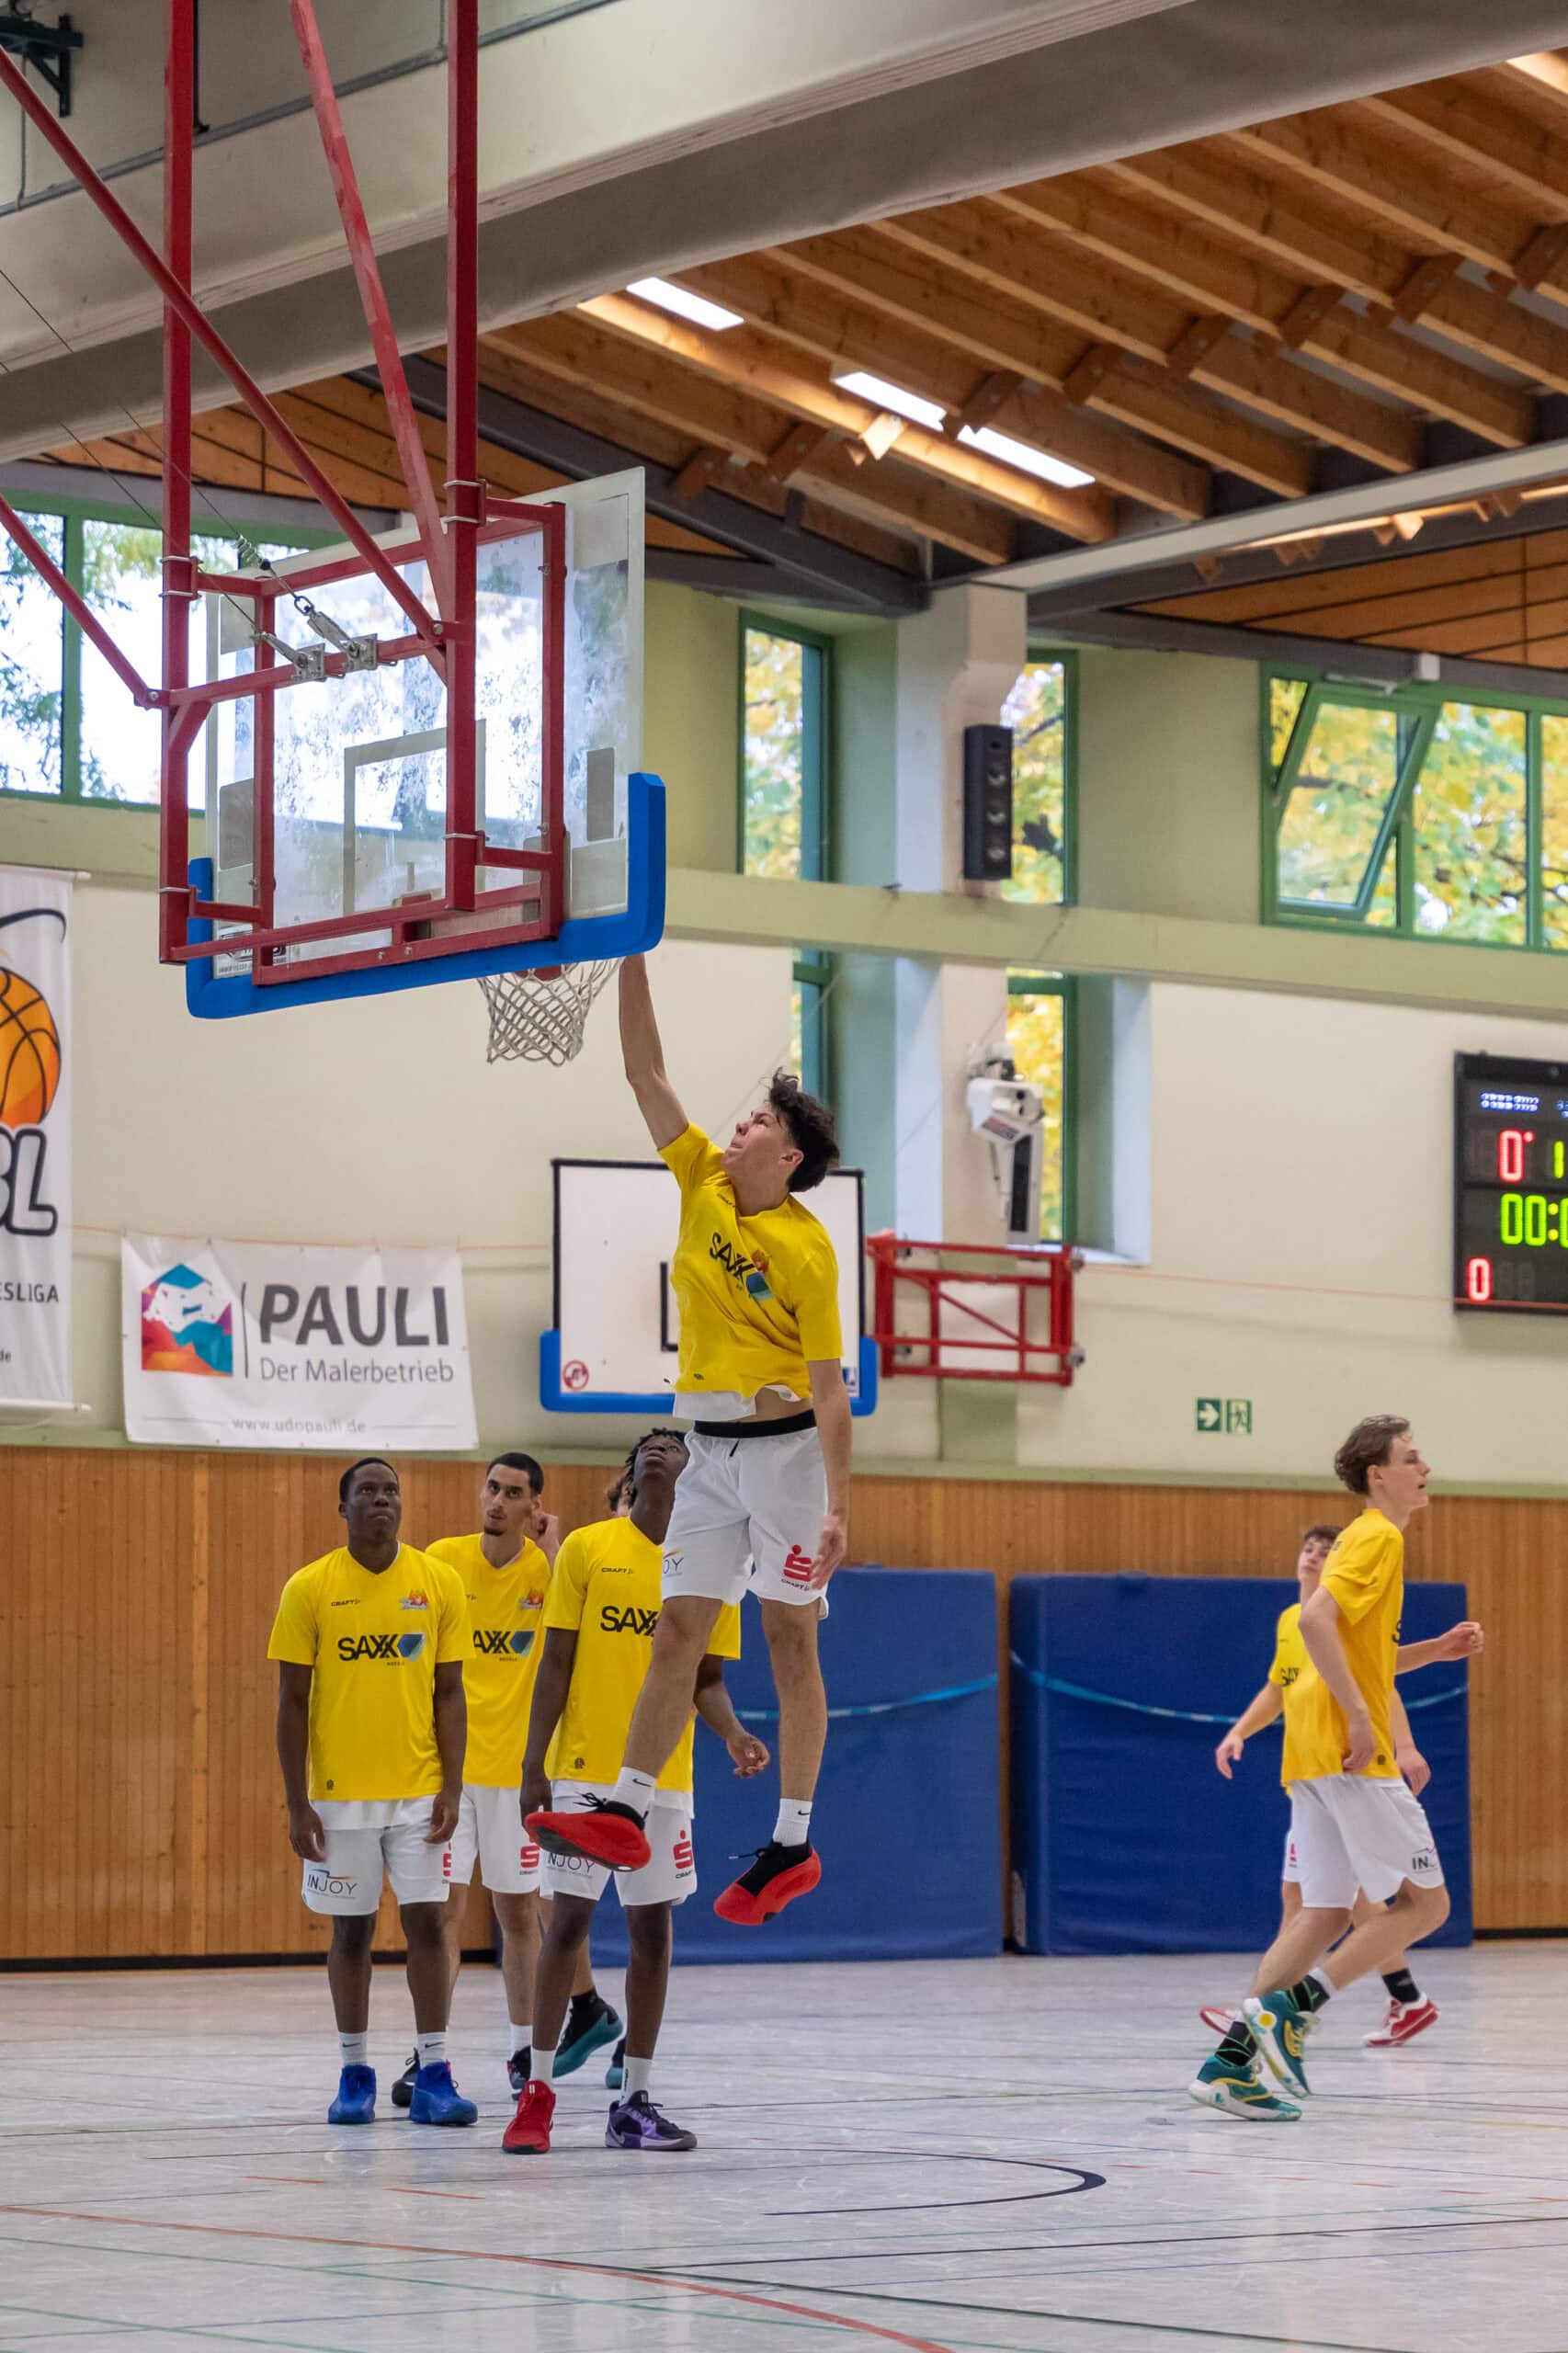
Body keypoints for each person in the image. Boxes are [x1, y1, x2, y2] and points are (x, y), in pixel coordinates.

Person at [528, 955, 848, 1927]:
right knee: (679, 1628)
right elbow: (644, 1072)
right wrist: (628, 951)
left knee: (790, 1639)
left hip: (790, 1455)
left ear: (786, 1157)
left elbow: (832, 1391)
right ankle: (625, 1806)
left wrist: (839, 1508)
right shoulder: (702, 1180)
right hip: (706, 1452)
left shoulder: (807, 1250)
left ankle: (792, 1839)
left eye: (758, 1123)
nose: (739, 1125)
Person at [1189, 1417, 1458, 2122]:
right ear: (1379, 1474)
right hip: (1348, 1751)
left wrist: (1435, 1649)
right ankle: (1295, 2012)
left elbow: (1349, 1649)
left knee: (1323, 1913)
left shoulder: (1368, 1541)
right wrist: (1365, 1719)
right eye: (1410, 1456)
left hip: (1308, 1755)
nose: (1423, 1465)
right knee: (1427, 1906)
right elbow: (1316, 1623)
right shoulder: (1378, 1536)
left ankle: (1231, 2064)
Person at [506, 1428, 767, 2154]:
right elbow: (555, 1663)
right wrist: (536, 1763)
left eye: (673, 1443)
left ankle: (634, 2101)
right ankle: (538, 2093)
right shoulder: (590, 1549)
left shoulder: (719, 1564)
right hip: (588, 1771)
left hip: (666, 1779)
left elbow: (707, 1679)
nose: (659, 1447)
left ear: (699, 1471)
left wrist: (734, 1735)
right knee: (567, 1926)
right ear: (632, 1468)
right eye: (648, 1443)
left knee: (652, 1931)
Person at [387, 1453, 621, 2109]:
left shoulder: (551, 1572)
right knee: (439, 1917)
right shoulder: (441, 1562)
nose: (496, 1500)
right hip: (450, 1773)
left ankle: (525, 2048)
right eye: (491, 1487)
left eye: (513, 1492)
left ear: (533, 1506)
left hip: (518, 1773)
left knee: (518, 1913)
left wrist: (551, 1550)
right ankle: (428, 2054)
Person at [1202, 1523, 1483, 2055]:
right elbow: (1281, 1686)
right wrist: (1240, 1730)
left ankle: (1278, 2015)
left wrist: (1404, 1745)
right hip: (1310, 1777)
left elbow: (1378, 1678)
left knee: (1372, 1904)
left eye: (1325, 1551)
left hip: (1351, 1767)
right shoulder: (1294, 1621)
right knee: (1319, 1904)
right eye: (1307, 1548)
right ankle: (1261, 2027)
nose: (1313, 1556)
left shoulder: (1350, 1603)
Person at [267, 1457, 477, 2128]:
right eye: (367, 1492)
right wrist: (298, 1802)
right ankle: (354, 2072)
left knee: (428, 1929)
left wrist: (452, 1783)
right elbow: (292, 1703)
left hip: (418, 1794)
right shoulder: (310, 1588)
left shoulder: (438, 1582)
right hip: (337, 1798)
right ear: (344, 1508)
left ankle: (435, 2072)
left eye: (391, 1491)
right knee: (350, 1933)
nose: (382, 1500)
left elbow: (450, 1692)